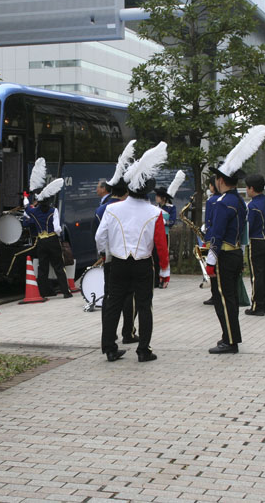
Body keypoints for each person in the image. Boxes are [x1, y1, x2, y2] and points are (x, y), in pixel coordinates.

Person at [96, 141, 169, 363]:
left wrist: (104, 253)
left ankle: (110, 348)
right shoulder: (155, 212)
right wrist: (164, 270)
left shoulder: (111, 208)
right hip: (143, 264)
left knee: (113, 304)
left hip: (117, 262)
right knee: (145, 306)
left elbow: (100, 236)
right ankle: (143, 350)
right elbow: (160, 245)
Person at [204, 125, 265, 354]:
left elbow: (217, 234)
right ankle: (230, 337)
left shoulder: (222, 203)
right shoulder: (239, 201)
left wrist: (210, 260)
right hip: (235, 253)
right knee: (228, 299)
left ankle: (230, 341)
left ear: (221, 180)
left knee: (224, 300)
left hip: (223, 255)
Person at [95, 143, 138, 344]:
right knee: (129, 296)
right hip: (128, 258)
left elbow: (99, 237)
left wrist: (104, 253)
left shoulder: (102, 210)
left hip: (109, 258)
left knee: (110, 298)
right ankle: (128, 332)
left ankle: (108, 336)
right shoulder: (126, 208)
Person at [22, 178, 72, 299]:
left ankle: (43, 292)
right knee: (59, 266)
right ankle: (66, 292)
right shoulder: (53, 210)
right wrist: (59, 236)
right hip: (53, 239)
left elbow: (26, 207)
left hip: (41, 241)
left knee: (42, 267)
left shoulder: (34, 211)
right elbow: (57, 228)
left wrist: (25, 196)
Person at [244, 174, 265, 316]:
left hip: (256, 241)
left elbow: (249, 227)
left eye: (247, 187)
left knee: (257, 274)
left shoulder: (252, 206)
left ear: (252, 188)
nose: (246, 190)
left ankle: (257, 306)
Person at [202, 176, 218, 306]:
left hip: (212, 237)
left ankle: (215, 294)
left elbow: (208, 220)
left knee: (212, 265)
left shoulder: (211, 200)